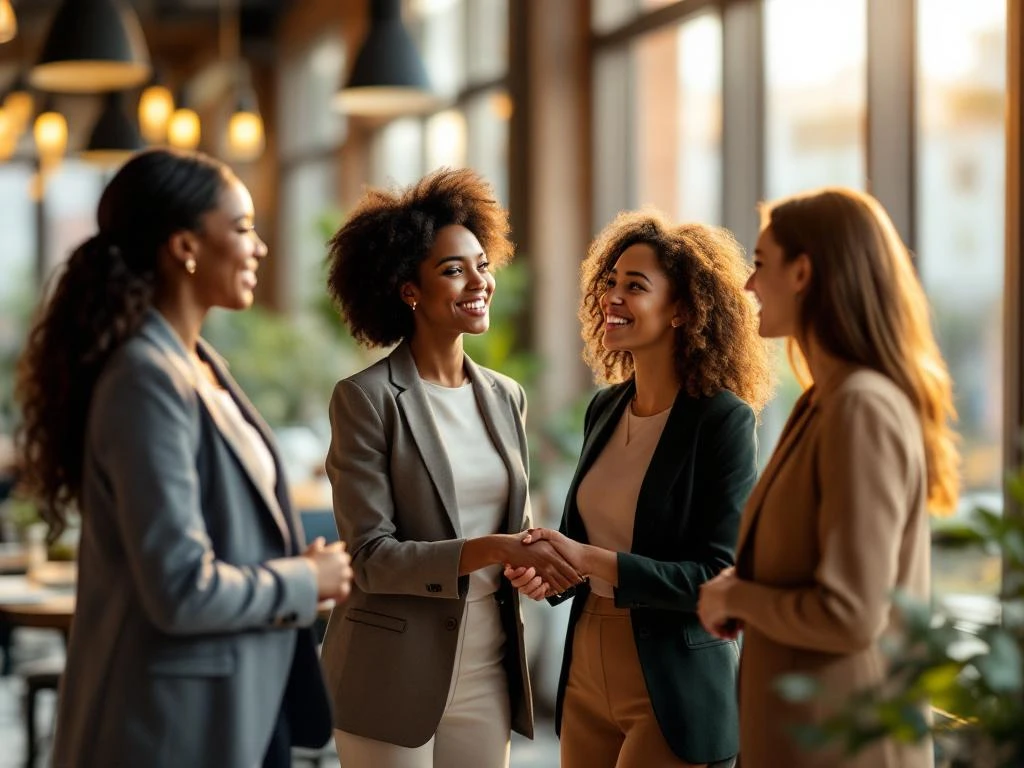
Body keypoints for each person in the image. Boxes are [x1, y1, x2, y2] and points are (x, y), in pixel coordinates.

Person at [14, 148, 352, 768]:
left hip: (242, 703)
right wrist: (305, 580)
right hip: (173, 723)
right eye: (243, 229)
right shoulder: (145, 377)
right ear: (185, 247)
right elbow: (179, 588)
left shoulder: (195, 366)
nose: (261, 248)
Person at [320, 167, 578, 768]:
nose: (478, 282)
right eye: (453, 269)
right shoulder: (366, 399)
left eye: (482, 264)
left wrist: (532, 567)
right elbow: (370, 558)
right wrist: (493, 550)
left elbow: (515, 529)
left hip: (488, 667)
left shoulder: (505, 396)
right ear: (408, 288)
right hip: (390, 672)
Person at [697, 187, 960, 768]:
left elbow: (850, 612)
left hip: (843, 745)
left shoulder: (860, 406)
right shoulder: (823, 401)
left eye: (761, 264)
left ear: (803, 272)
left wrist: (738, 595)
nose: (747, 284)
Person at [507, 211, 774, 768]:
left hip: (673, 678)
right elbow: (584, 547)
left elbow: (716, 574)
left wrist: (587, 557)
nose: (613, 297)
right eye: (611, 282)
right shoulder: (605, 407)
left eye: (635, 286)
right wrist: (549, 569)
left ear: (681, 310)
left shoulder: (721, 420)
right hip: (585, 666)